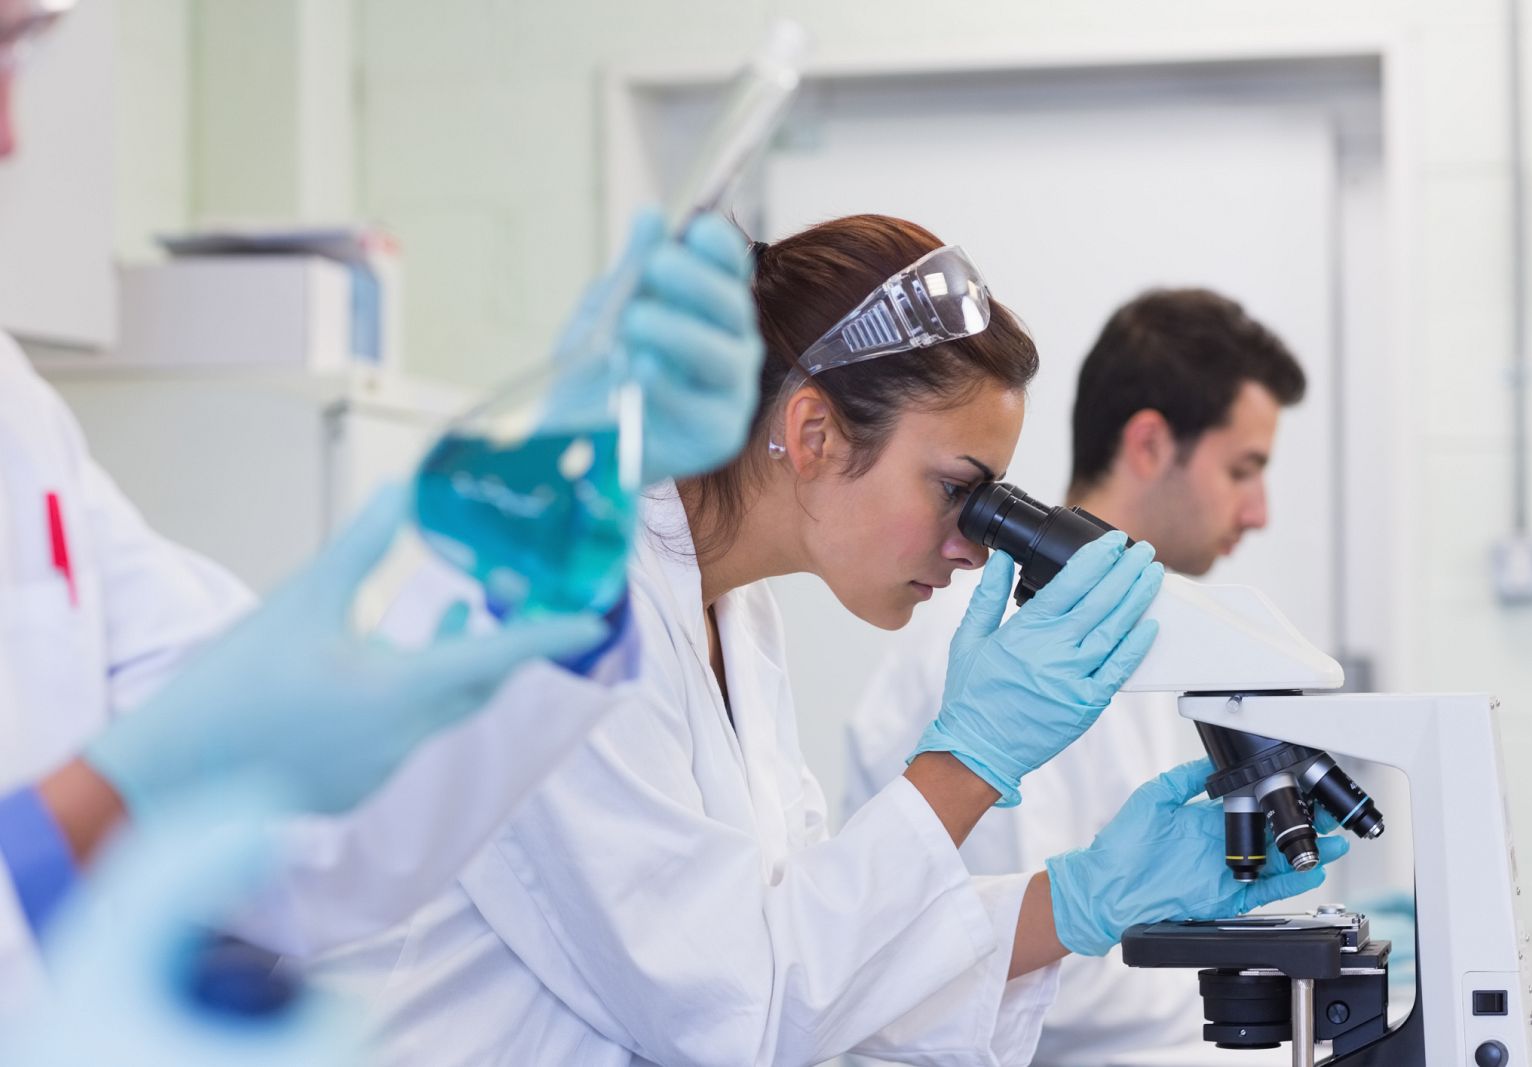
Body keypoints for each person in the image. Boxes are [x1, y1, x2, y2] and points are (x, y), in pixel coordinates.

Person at [301, 217, 1346, 1066]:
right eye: (958, 492)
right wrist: (969, 760)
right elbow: (740, 1009)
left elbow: (834, 970)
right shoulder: (562, 611)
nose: (974, 545)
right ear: (810, 434)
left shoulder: (737, 611)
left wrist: (1081, 899)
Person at [0, 0, 767, 1011]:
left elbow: (315, 851)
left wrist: (556, 510)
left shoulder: (21, 416)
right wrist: (102, 801)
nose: (12, 134)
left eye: (16, 54)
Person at [844, 287, 1310, 1065]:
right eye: (1244, 468)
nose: (1259, 510)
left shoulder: (1154, 635)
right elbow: (1018, 966)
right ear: (1152, 444)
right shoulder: (997, 659)